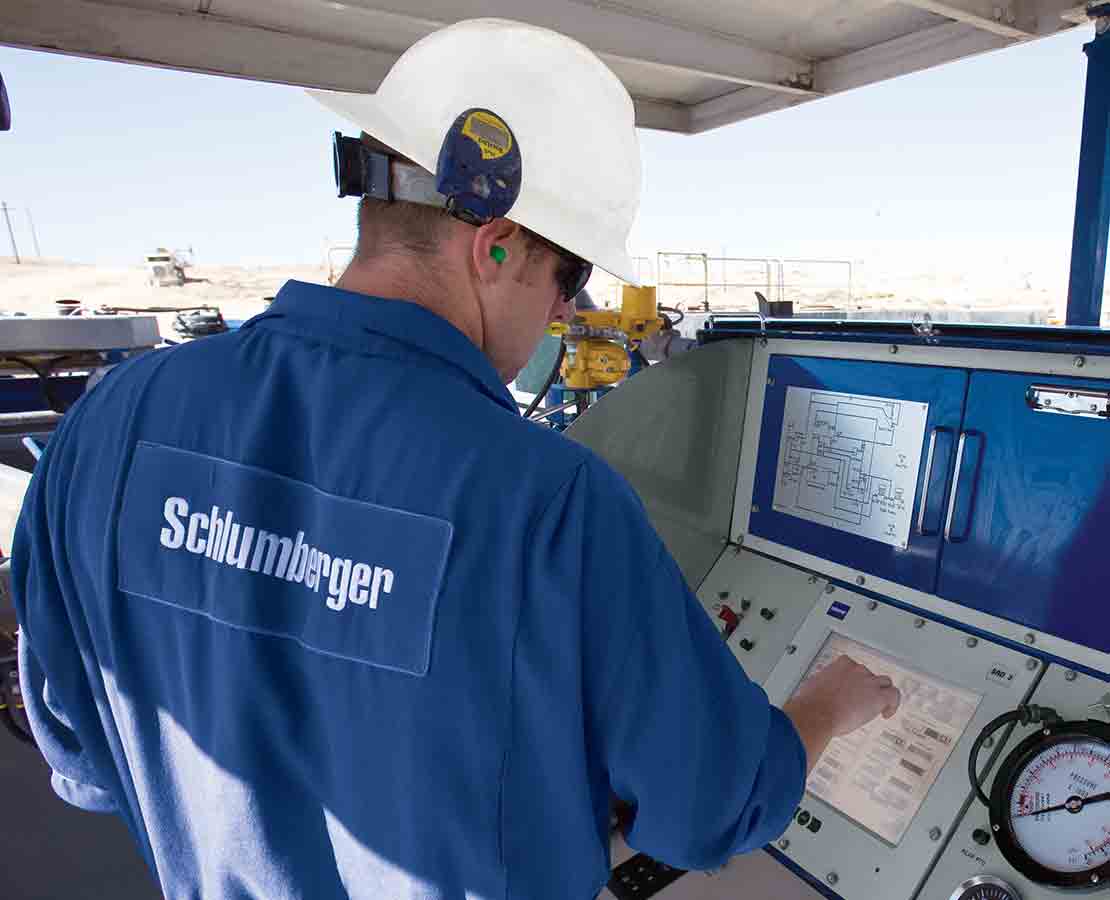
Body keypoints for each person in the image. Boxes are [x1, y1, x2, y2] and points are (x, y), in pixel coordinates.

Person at [12, 18, 900, 900]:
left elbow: (77, 744)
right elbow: (709, 807)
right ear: (496, 246)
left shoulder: (111, 419)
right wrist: (826, 709)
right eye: (569, 280)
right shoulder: (549, 500)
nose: (564, 315)